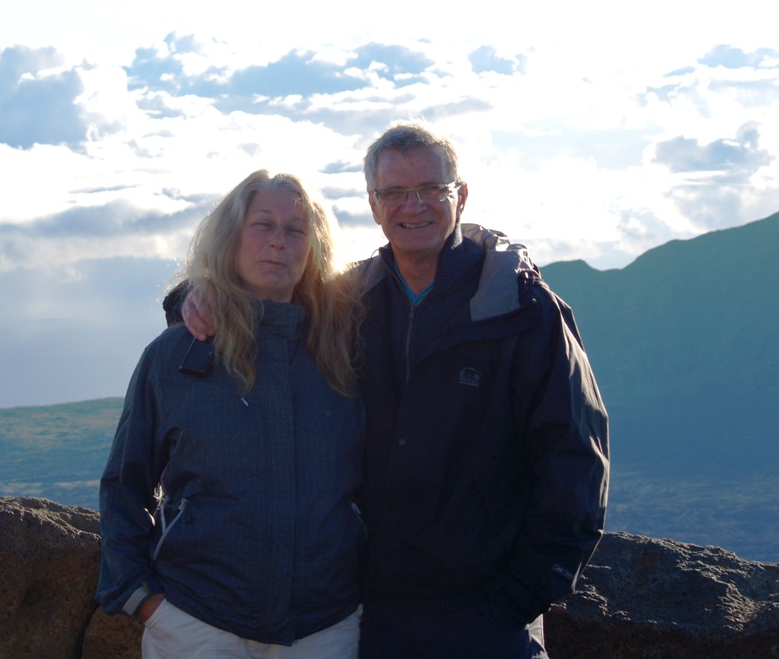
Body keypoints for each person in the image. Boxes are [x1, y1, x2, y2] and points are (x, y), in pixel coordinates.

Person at [182, 124, 610, 658]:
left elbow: (575, 457)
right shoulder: (347, 301)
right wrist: (200, 294)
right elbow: (263, 304)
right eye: (395, 192)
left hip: (487, 614)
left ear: (461, 195)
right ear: (373, 204)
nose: (414, 205)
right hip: (371, 608)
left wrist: (523, 595)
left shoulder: (521, 309)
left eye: (431, 188)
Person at [96, 170, 366, 658]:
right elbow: (124, 483)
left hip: (326, 625)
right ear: (231, 237)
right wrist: (143, 599)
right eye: (263, 225)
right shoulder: (176, 354)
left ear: (314, 248)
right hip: (197, 622)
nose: (278, 241)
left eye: (295, 229)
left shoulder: (345, 351)